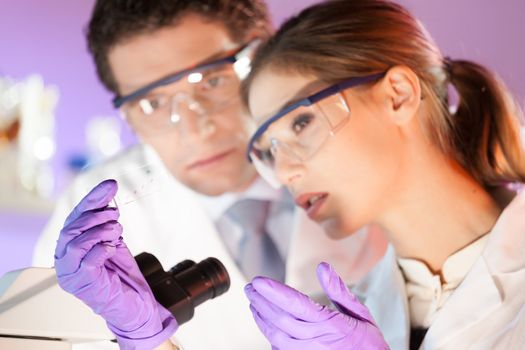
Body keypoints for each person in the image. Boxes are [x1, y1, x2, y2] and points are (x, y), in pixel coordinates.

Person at [32, 1, 387, 349]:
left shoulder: (361, 143)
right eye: (152, 103)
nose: (195, 129)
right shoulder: (91, 230)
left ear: (265, 55)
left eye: (212, 80)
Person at [240, 0, 525, 349]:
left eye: (301, 123)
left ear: (398, 95)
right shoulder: (335, 326)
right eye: (268, 152)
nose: (284, 173)